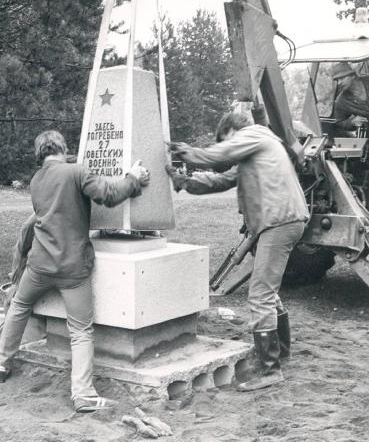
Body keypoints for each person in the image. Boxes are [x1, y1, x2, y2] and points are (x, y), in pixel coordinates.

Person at [0, 130, 150, 413]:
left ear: (40, 153)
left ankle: (2, 361)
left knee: (19, 306)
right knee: (81, 331)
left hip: (40, 265)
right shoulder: (77, 171)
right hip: (72, 268)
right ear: (63, 147)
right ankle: (83, 395)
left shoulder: (36, 180)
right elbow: (108, 194)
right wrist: (133, 177)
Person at [166, 111, 308, 391]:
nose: (226, 145)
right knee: (268, 291)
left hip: (278, 221)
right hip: (279, 221)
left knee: (260, 294)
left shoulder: (254, 134)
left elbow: (220, 154)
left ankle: (270, 370)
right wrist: (185, 182)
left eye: (225, 138)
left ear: (233, 130)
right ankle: (282, 353)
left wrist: (187, 152)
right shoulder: (254, 154)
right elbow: (221, 180)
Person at [333, 62, 369, 131]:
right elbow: (339, 123)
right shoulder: (341, 101)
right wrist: (352, 122)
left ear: (353, 75)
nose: (339, 83)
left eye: (342, 78)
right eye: (337, 80)